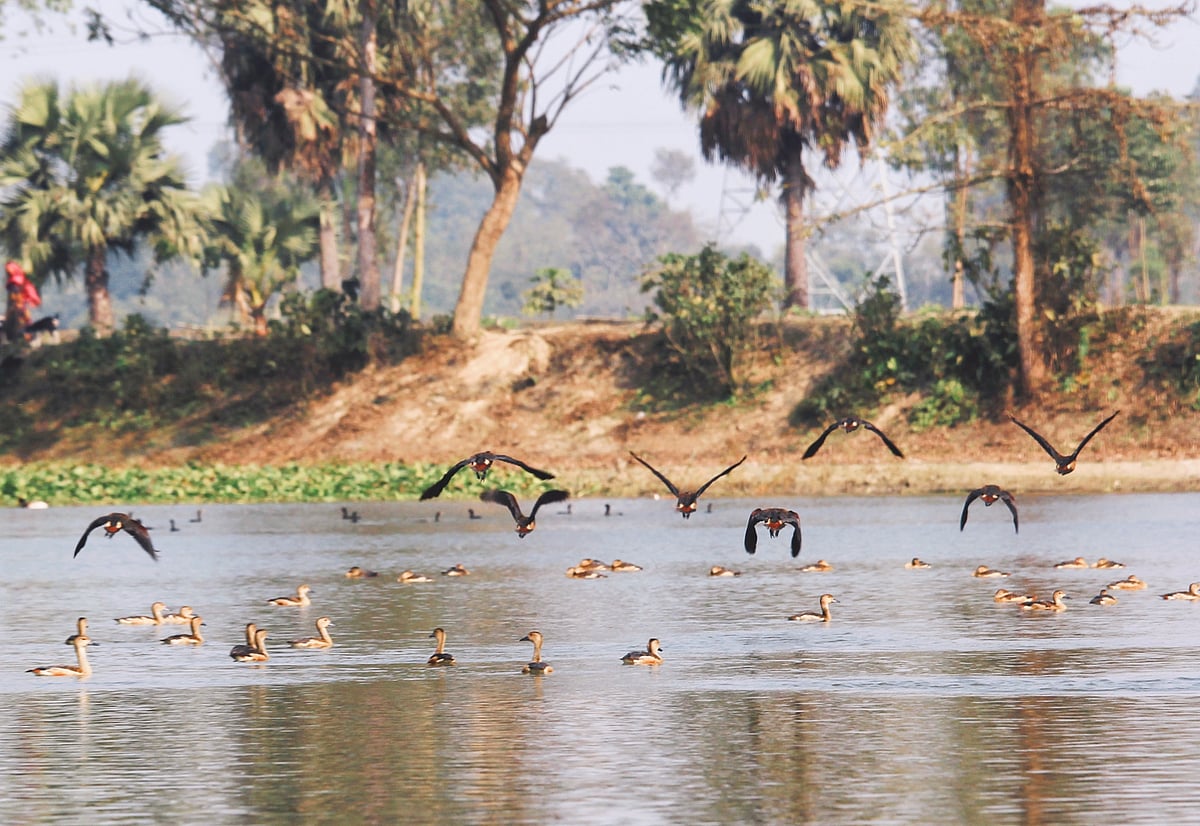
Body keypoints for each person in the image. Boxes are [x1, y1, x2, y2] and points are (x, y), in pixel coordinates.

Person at [5, 260, 41, 343]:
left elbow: (17, 295)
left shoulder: (16, 280)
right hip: (20, 302)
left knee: (22, 316)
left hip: (20, 303)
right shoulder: (18, 279)